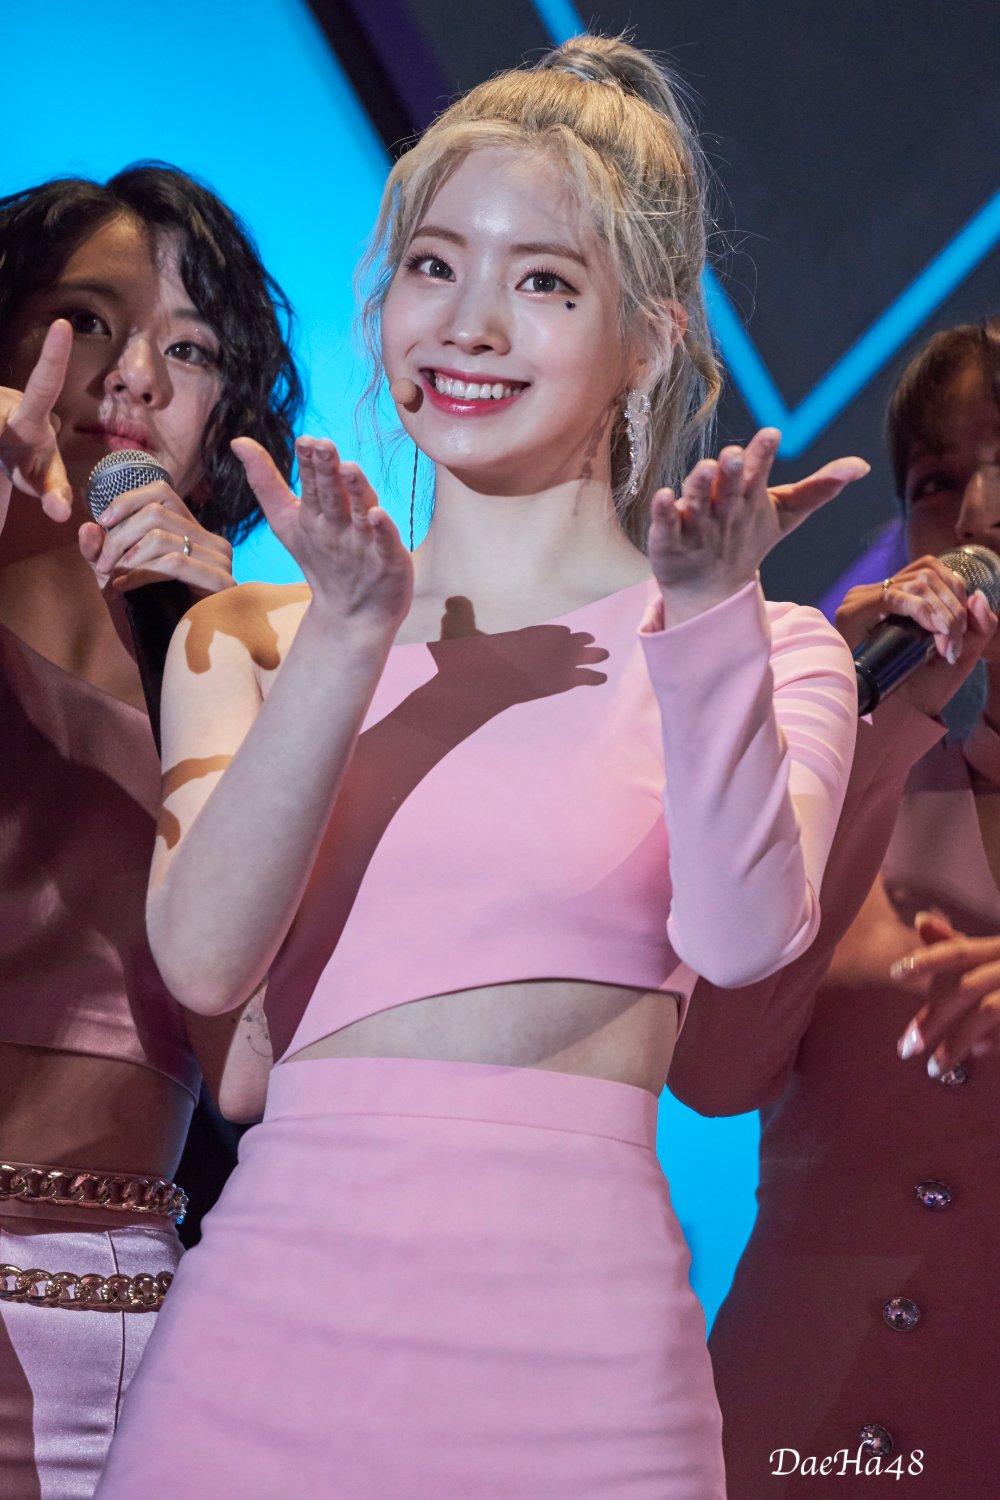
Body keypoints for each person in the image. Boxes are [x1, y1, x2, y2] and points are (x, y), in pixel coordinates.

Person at [97, 37, 865, 1499]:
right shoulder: (254, 635)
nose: (471, 325)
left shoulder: (766, 649)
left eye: (546, 283)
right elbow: (204, 962)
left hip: (580, 1377)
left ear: (649, 343)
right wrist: (351, 638)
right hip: (263, 1347)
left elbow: (740, 940)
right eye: (435, 267)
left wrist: (705, 627)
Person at [0, 163, 301, 1498]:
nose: (131, 378)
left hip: (116, 1330)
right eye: (89, 321)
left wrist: (215, 676)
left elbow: (252, 1064)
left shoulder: (249, 658)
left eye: (189, 351)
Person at [670, 318, 1000, 1496]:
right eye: (937, 483)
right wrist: (867, 727)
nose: (977, 513)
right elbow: (714, 1077)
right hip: (786, 1431)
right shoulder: (859, 774)